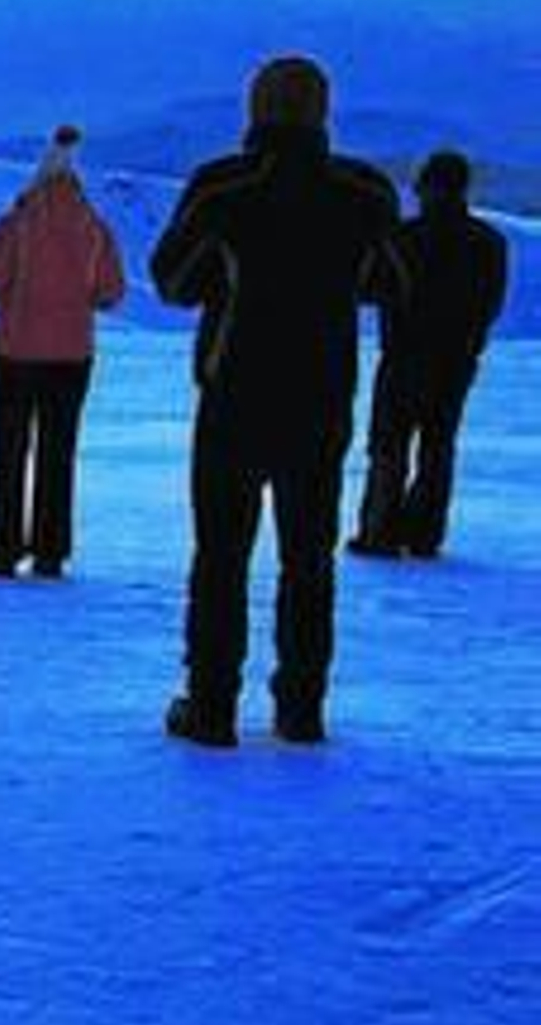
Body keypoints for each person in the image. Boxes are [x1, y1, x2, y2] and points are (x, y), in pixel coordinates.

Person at [151, 57, 400, 747]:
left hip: (233, 392)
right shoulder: (364, 192)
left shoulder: (221, 187)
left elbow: (172, 277)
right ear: (323, 111)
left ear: (254, 109)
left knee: (221, 554)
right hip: (321, 395)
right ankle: (300, 706)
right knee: (309, 556)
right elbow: (390, 282)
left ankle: (211, 705)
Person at [0, 126, 125, 578]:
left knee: (10, 452)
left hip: (14, 353)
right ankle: (50, 549)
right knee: (59, 452)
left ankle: (1, 549)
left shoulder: (18, 223)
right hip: (72, 356)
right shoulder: (94, 228)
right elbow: (111, 292)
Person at [349, 150, 509, 561]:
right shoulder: (488, 242)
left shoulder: (402, 238)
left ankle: (379, 531)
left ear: (425, 187)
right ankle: (424, 534)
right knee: (438, 446)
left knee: (389, 445)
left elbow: (367, 288)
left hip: (403, 356)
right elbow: (490, 304)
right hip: (456, 361)